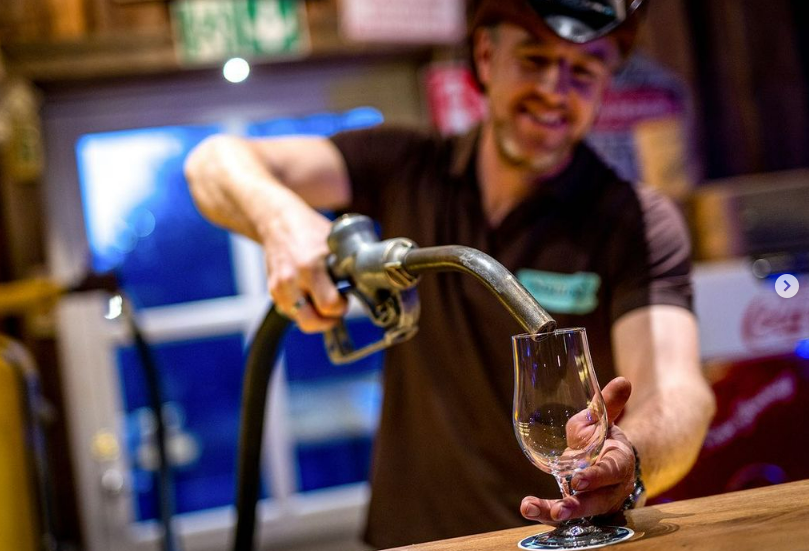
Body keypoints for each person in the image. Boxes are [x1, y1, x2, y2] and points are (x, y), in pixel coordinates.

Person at [185, 0, 716, 547]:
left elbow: (677, 392)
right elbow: (213, 161)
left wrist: (631, 456)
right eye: (534, 60)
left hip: (556, 541)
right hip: (413, 541)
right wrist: (283, 222)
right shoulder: (407, 167)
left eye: (583, 71)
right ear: (485, 56)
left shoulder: (637, 222)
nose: (555, 91)